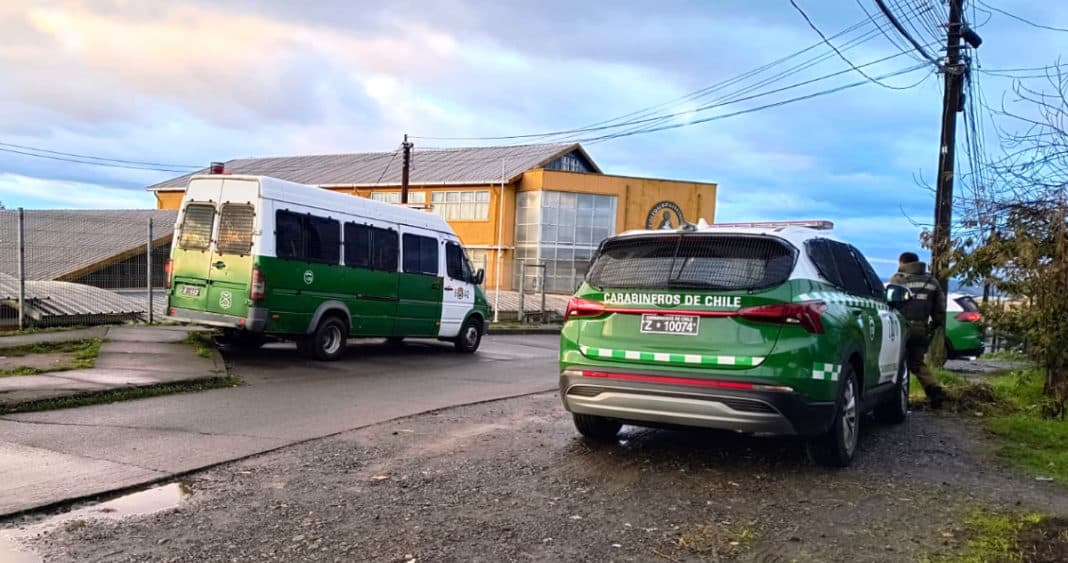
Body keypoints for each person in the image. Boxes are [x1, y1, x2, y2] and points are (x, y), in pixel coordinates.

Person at [890, 252, 947, 409]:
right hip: (922, 329)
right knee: (917, 363)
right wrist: (933, 326)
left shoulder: (898, 279)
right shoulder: (932, 281)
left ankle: (898, 400)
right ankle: (934, 390)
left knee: (898, 363)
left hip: (901, 328)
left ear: (902, 262)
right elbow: (940, 309)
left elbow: (889, 302)